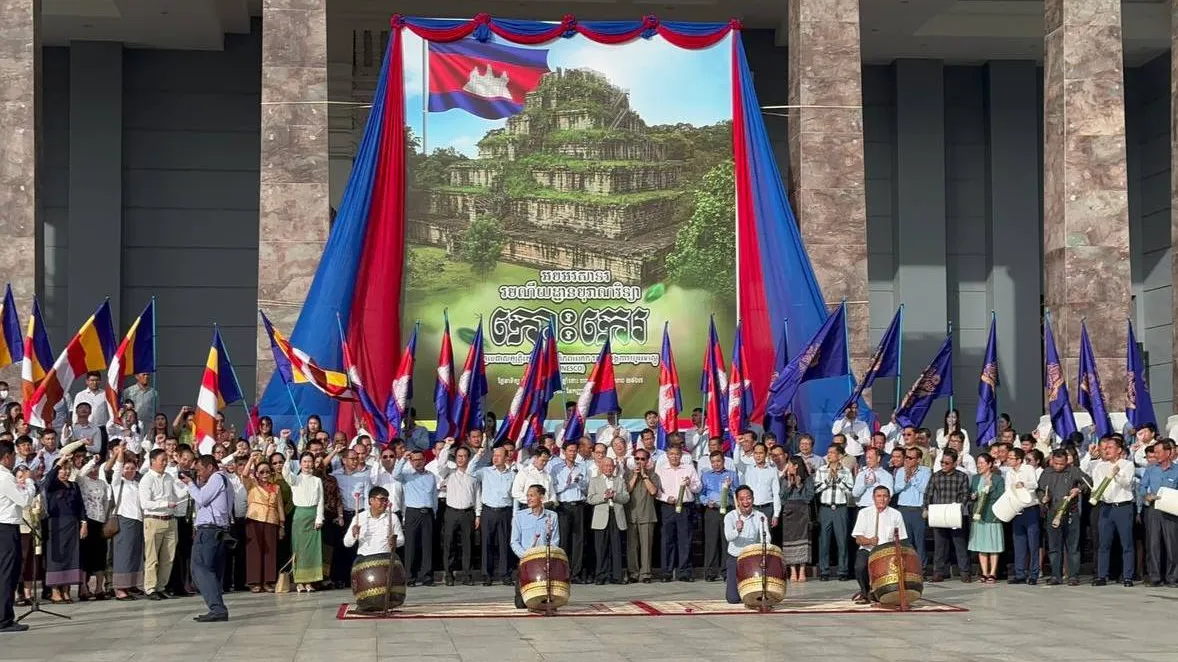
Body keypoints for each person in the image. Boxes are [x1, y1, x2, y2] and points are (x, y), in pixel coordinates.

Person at [178, 454, 233, 622]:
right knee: (210, 570)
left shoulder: (216, 478)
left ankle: (217, 608)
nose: (199, 473)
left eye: (200, 470)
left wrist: (190, 484)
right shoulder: (224, 480)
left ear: (210, 467)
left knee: (200, 568)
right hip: (217, 530)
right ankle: (217, 607)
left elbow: (201, 499)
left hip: (209, 530)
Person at [41, 450, 86, 603]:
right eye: (62, 469)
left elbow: (80, 506)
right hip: (56, 524)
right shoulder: (52, 485)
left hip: (72, 525)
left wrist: (84, 523)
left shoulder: (74, 486)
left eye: (68, 469)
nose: (65, 472)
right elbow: (48, 478)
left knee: (71, 557)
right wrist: (60, 461)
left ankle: (66, 590)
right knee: (56, 558)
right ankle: (54, 591)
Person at [851, 486, 907, 605]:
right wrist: (869, 541)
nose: (882, 499)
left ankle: (884, 593)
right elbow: (858, 539)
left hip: (888, 552)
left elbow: (901, 539)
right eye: (879, 496)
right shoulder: (864, 513)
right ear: (873, 498)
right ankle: (865, 593)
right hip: (868, 549)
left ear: (889, 498)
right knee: (860, 566)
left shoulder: (896, 514)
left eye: (885, 496)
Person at [0, 439, 34, 632]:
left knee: (9, 572)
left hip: (6, 527)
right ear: (6, 457)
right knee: (7, 573)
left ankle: (5, 616)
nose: (14, 459)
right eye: (13, 455)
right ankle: (3, 619)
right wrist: (29, 481)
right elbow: (24, 500)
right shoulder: (5, 477)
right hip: (6, 527)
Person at [1038, 449, 1086, 586]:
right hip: (1053, 512)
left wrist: (1079, 489)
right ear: (1052, 460)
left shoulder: (1074, 471)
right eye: (1056, 463)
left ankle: (1073, 576)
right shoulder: (1047, 472)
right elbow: (1040, 490)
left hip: (1070, 512)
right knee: (1054, 546)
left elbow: (1088, 483)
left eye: (1062, 464)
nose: (1058, 466)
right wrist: (1043, 498)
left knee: (1072, 546)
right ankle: (1055, 576)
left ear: (1067, 461)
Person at [436, 442, 480, 586]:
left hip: (468, 513)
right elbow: (441, 465)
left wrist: (478, 515)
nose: (461, 459)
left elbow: (478, 496)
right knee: (449, 544)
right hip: (451, 512)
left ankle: (467, 574)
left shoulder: (473, 476)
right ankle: (449, 574)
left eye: (464, 456)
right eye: (459, 456)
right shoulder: (449, 473)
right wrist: (446, 447)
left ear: (468, 458)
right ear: (455, 458)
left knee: (468, 544)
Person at [510, 485, 559, 610]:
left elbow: (555, 541)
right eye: (527, 496)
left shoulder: (552, 516)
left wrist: (544, 556)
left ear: (541, 497)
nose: (529, 499)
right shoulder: (519, 516)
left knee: (547, 603)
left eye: (532, 495)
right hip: (526, 561)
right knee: (521, 604)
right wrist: (526, 556)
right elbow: (514, 542)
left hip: (544, 562)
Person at [655, 446, 700, 582]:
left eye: (677, 454)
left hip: (685, 507)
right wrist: (665, 498)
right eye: (671, 454)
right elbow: (656, 490)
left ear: (681, 456)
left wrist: (690, 484)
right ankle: (667, 572)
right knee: (667, 540)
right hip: (668, 507)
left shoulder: (688, 468)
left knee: (685, 540)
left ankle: (684, 572)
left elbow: (698, 487)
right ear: (667, 455)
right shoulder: (661, 469)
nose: (674, 456)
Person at [241, 455, 285, 592]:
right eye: (261, 472)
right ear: (256, 474)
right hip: (254, 520)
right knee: (254, 551)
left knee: (270, 551)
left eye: (267, 472)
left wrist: (282, 525)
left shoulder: (276, 488)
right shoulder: (252, 485)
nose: (265, 475)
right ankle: (255, 582)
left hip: (271, 520)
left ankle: (268, 581)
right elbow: (244, 474)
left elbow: (280, 507)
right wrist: (251, 460)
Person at [925, 449, 971, 582]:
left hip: (955, 513)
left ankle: (965, 572)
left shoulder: (962, 476)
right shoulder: (936, 476)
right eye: (942, 462)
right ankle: (938, 572)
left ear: (955, 463)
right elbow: (928, 493)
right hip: (939, 513)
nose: (943, 465)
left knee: (960, 544)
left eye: (947, 463)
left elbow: (965, 495)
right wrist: (926, 508)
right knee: (940, 546)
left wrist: (958, 507)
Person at [1138, 439, 1178, 586]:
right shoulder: (1151, 469)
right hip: (1153, 509)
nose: (1155, 455)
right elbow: (1142, 487)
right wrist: (1146, 496)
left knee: (1172, 545)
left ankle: (1172, 577)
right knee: (1153, 544)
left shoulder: (1177, 470)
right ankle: (1154, 577)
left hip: (1171, 510)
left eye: (1158, 452)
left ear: (1168, 452)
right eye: (1154, 452)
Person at [395, 449, 437, 587]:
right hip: (413, 512)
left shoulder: (430, 475)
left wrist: (434, 512)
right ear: (411, 461)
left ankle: (427, 576)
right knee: (411, 545)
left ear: (424, 460)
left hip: (428, 512)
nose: (417, 462)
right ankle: (410, 577)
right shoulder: (407, 475)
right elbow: (395, 474)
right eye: (414, 460)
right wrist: (403, 459)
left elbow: (434, 495)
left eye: (420, 459)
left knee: (427, 546)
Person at [282, 451, 324, 592]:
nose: (307, 464)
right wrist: (288, 457)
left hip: (313, 515)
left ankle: (310, 581)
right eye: (304, 461)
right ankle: (299, 581)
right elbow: (286, 473)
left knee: (312, 549)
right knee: (299, 549)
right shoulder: (295, 479)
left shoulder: (317, 480)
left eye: (309, 461)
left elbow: (320, 500)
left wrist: (319, 518)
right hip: (300, 515)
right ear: (300, 464)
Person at [74, 453, 112, 600]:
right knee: (85, 555)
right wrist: (91, 461)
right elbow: (80, 473)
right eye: (92, 467)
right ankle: (83, 588)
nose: (94, 470)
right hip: (87, 521)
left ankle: (99, 588)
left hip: (99, 521)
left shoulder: (102, 483)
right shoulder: (82, 480)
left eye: (96, 467)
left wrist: (105, 519)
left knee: (100, 555)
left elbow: (105, 502)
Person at [722, 485, 769, 604]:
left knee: (755, 598)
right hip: (735, 558)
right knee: (733, 599)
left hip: (753, 558)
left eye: (748, 498)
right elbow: (728, 537)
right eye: (742, 499)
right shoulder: (730, 516)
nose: (745, 502)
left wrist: (763, 548)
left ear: (753, 499)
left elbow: (766, 537)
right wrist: (737, 530)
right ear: (737, 501)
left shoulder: (760, 516)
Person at [475, 446, 515, 586]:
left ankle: (505, 574)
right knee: (487, 543)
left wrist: (514, 515)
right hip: (488, 511)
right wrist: (478, 455)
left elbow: (515, 496)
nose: (495, 458)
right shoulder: (485, 471)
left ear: (506, 457)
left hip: (505, 511)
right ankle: (487, 574)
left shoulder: (512, 474)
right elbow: (469, 471)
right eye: (494, 455)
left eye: (499, 456)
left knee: (504, 544)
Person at [586, 456, 628, 584]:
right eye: (606, 466)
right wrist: (604, 496)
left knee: (616, 547)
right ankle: (601, 576)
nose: (609, 468)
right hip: (601, 516)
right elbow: (590, 499)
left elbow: (626, 498)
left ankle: (616, 576)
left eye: (611, 466)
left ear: (614, 467)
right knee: (601, 548)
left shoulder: (620, 480)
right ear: (601, 467)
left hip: (616, 515)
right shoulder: (595, 481)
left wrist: (615, 496)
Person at [814, 445, 854, 581]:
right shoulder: (821, 470)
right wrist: (828, 480)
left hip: (840, 509)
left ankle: (843, 571)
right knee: (824, 541)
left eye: (832, 453)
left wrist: (837, 479)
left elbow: (850, 490)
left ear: (839, 456)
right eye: (828, 452)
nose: (829, 455)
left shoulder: (846, 471)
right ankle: (824, 571)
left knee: (842, 541)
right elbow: (816, 488)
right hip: (825, 509)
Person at [699, 451, 739, 582]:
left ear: (723, 461)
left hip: (727, 510)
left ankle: (727, 572)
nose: (716, 464)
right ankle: (710, 572)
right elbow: (701, 494)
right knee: (711, 542)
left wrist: (731, 486)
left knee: (726, 541)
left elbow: (737, 493)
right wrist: (706, 501)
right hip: (712, 510)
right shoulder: (706, 476)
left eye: (718, 461)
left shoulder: (731, 474)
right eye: (713, 462)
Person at [109, 447, 143, 600]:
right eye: (127, 468)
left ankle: (131, 584)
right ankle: (119, 589)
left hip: (138, 520)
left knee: (134, 554)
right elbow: (116, 468)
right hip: (124, 520)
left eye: (132, 468)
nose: (129, 471)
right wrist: (120, 453)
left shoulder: (137, 484)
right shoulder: (118, 482)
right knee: (123, 554)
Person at [967, 453, 1005, 583]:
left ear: (989, 464)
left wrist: (989, 487)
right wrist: (973, 496)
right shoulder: (976, 478)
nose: (979, 465)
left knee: (993, 544)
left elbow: (1000, 495)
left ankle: (992, 573)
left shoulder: (998, 479)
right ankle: (984, 572)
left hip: (992, 514)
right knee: (981, 544)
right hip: (979, 514)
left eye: (982, 463)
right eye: (978, 463)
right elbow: (972, 493)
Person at [1006, 448, 1041, 585]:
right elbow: (1007, 490)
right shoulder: (1009, 473)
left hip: (1030, 509)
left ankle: (1033, 574)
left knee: (1033, 544)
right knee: (1019, 544)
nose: (1008, 460)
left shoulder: (1028, 469)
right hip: (1017, 510)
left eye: (1011, 458)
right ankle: (1019, 573)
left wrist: (1023, 484)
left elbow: (1034, 484)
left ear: (1019, 460)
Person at [893, 446, 931, 569]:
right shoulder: (900, 471)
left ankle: (922, 568)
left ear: (918, 459)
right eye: (906, 457)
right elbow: (895, 489)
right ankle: (909, 568)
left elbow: (925, 489)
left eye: (910, 458)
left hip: (918, 510)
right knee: (906, 541)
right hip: (903, 509)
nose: (907, 460)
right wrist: (905, 480)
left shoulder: (926, 471)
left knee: (920, 541)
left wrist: (912, 478)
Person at [625, 449, 659, 584]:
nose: (639, 461)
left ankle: (645, 573)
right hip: (631, 515)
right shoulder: (628, 474)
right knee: (632, 546)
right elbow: (626, 490)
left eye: (642, 459)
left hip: (647, 515)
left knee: (646, 546)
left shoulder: (653, 475)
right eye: (637, 459)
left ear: (647, 461)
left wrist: (645, 476)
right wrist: (635, 476)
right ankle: (633, 573)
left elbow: (653, 491)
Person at [780, 456, 814, 583]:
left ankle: (802, 570)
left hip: (802, 511)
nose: (787, 467)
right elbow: (782, 498)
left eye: (789, 464)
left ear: (796, 466)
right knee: (790, 539)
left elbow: (809, 497)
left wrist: (799, 486)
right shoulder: (784, 479)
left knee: (803, 539)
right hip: (789, 511)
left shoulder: (807, 479)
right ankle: (793, 570)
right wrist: (789, 486)